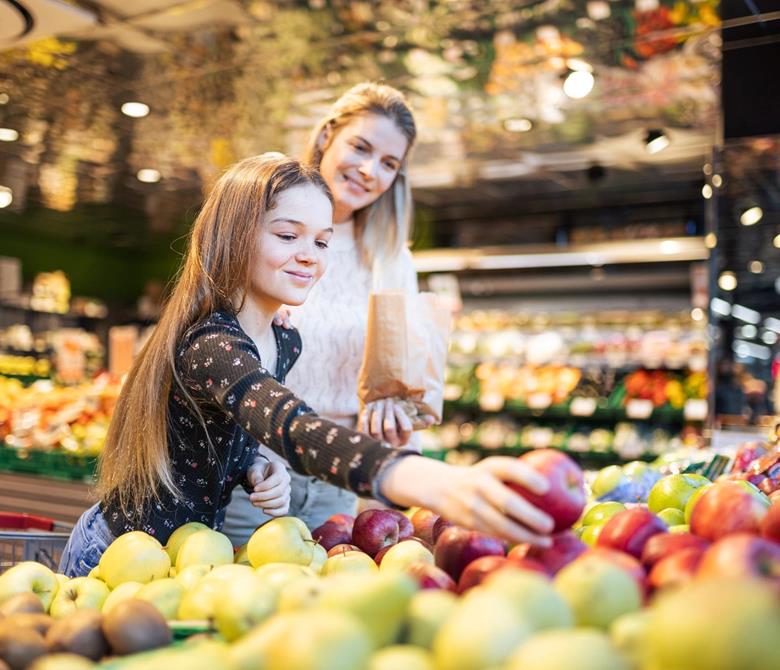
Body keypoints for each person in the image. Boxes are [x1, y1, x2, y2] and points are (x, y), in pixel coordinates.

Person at [58, 153, 554, 577]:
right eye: (288, 235)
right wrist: (431, 481)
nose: (309, 257)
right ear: (235, 235)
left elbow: (233, 425)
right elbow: (289, 424)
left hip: (185, 557)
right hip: (117, 554)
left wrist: (254, 465)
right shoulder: (211, 342)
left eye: (321, 242)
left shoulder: (283, 340)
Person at [224, 82, 431, 543]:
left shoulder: (392, 260)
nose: (368, 170)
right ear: (325, 137)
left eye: (389, 163)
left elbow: (404, 374)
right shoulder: (264, 225)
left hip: (335, 478)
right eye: (360, 147)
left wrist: (397, 405)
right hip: (253, 472)